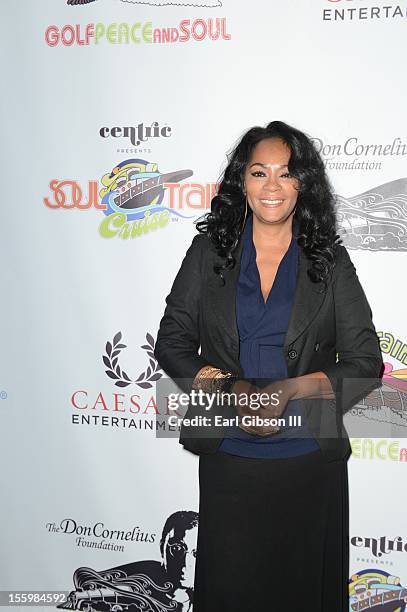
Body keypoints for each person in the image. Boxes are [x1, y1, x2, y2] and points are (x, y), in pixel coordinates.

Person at [154, 121, 384, 611]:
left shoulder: (329, 260)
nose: (273, 186)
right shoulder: (208, 253)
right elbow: (172, 342)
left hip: (307, 460)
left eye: (286, 173)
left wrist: (291, 389)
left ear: (305, 184)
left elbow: (366, 362)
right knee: (232, 591)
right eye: (260, 172)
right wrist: (230, 387)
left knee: (302, 593)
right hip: (229, 454)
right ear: (242, 181)